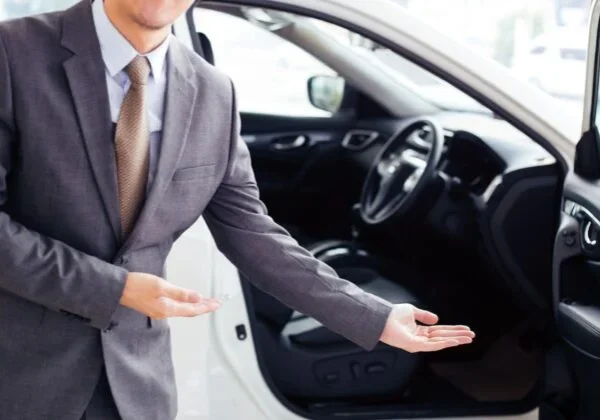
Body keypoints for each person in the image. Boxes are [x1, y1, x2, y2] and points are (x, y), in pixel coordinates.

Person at [0, 1, 475, 419]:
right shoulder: (12, 53)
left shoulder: (212, 93)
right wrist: (115, 289)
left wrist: (373, 317)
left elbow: (253, 233)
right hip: (21, 373)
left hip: (135, 383)